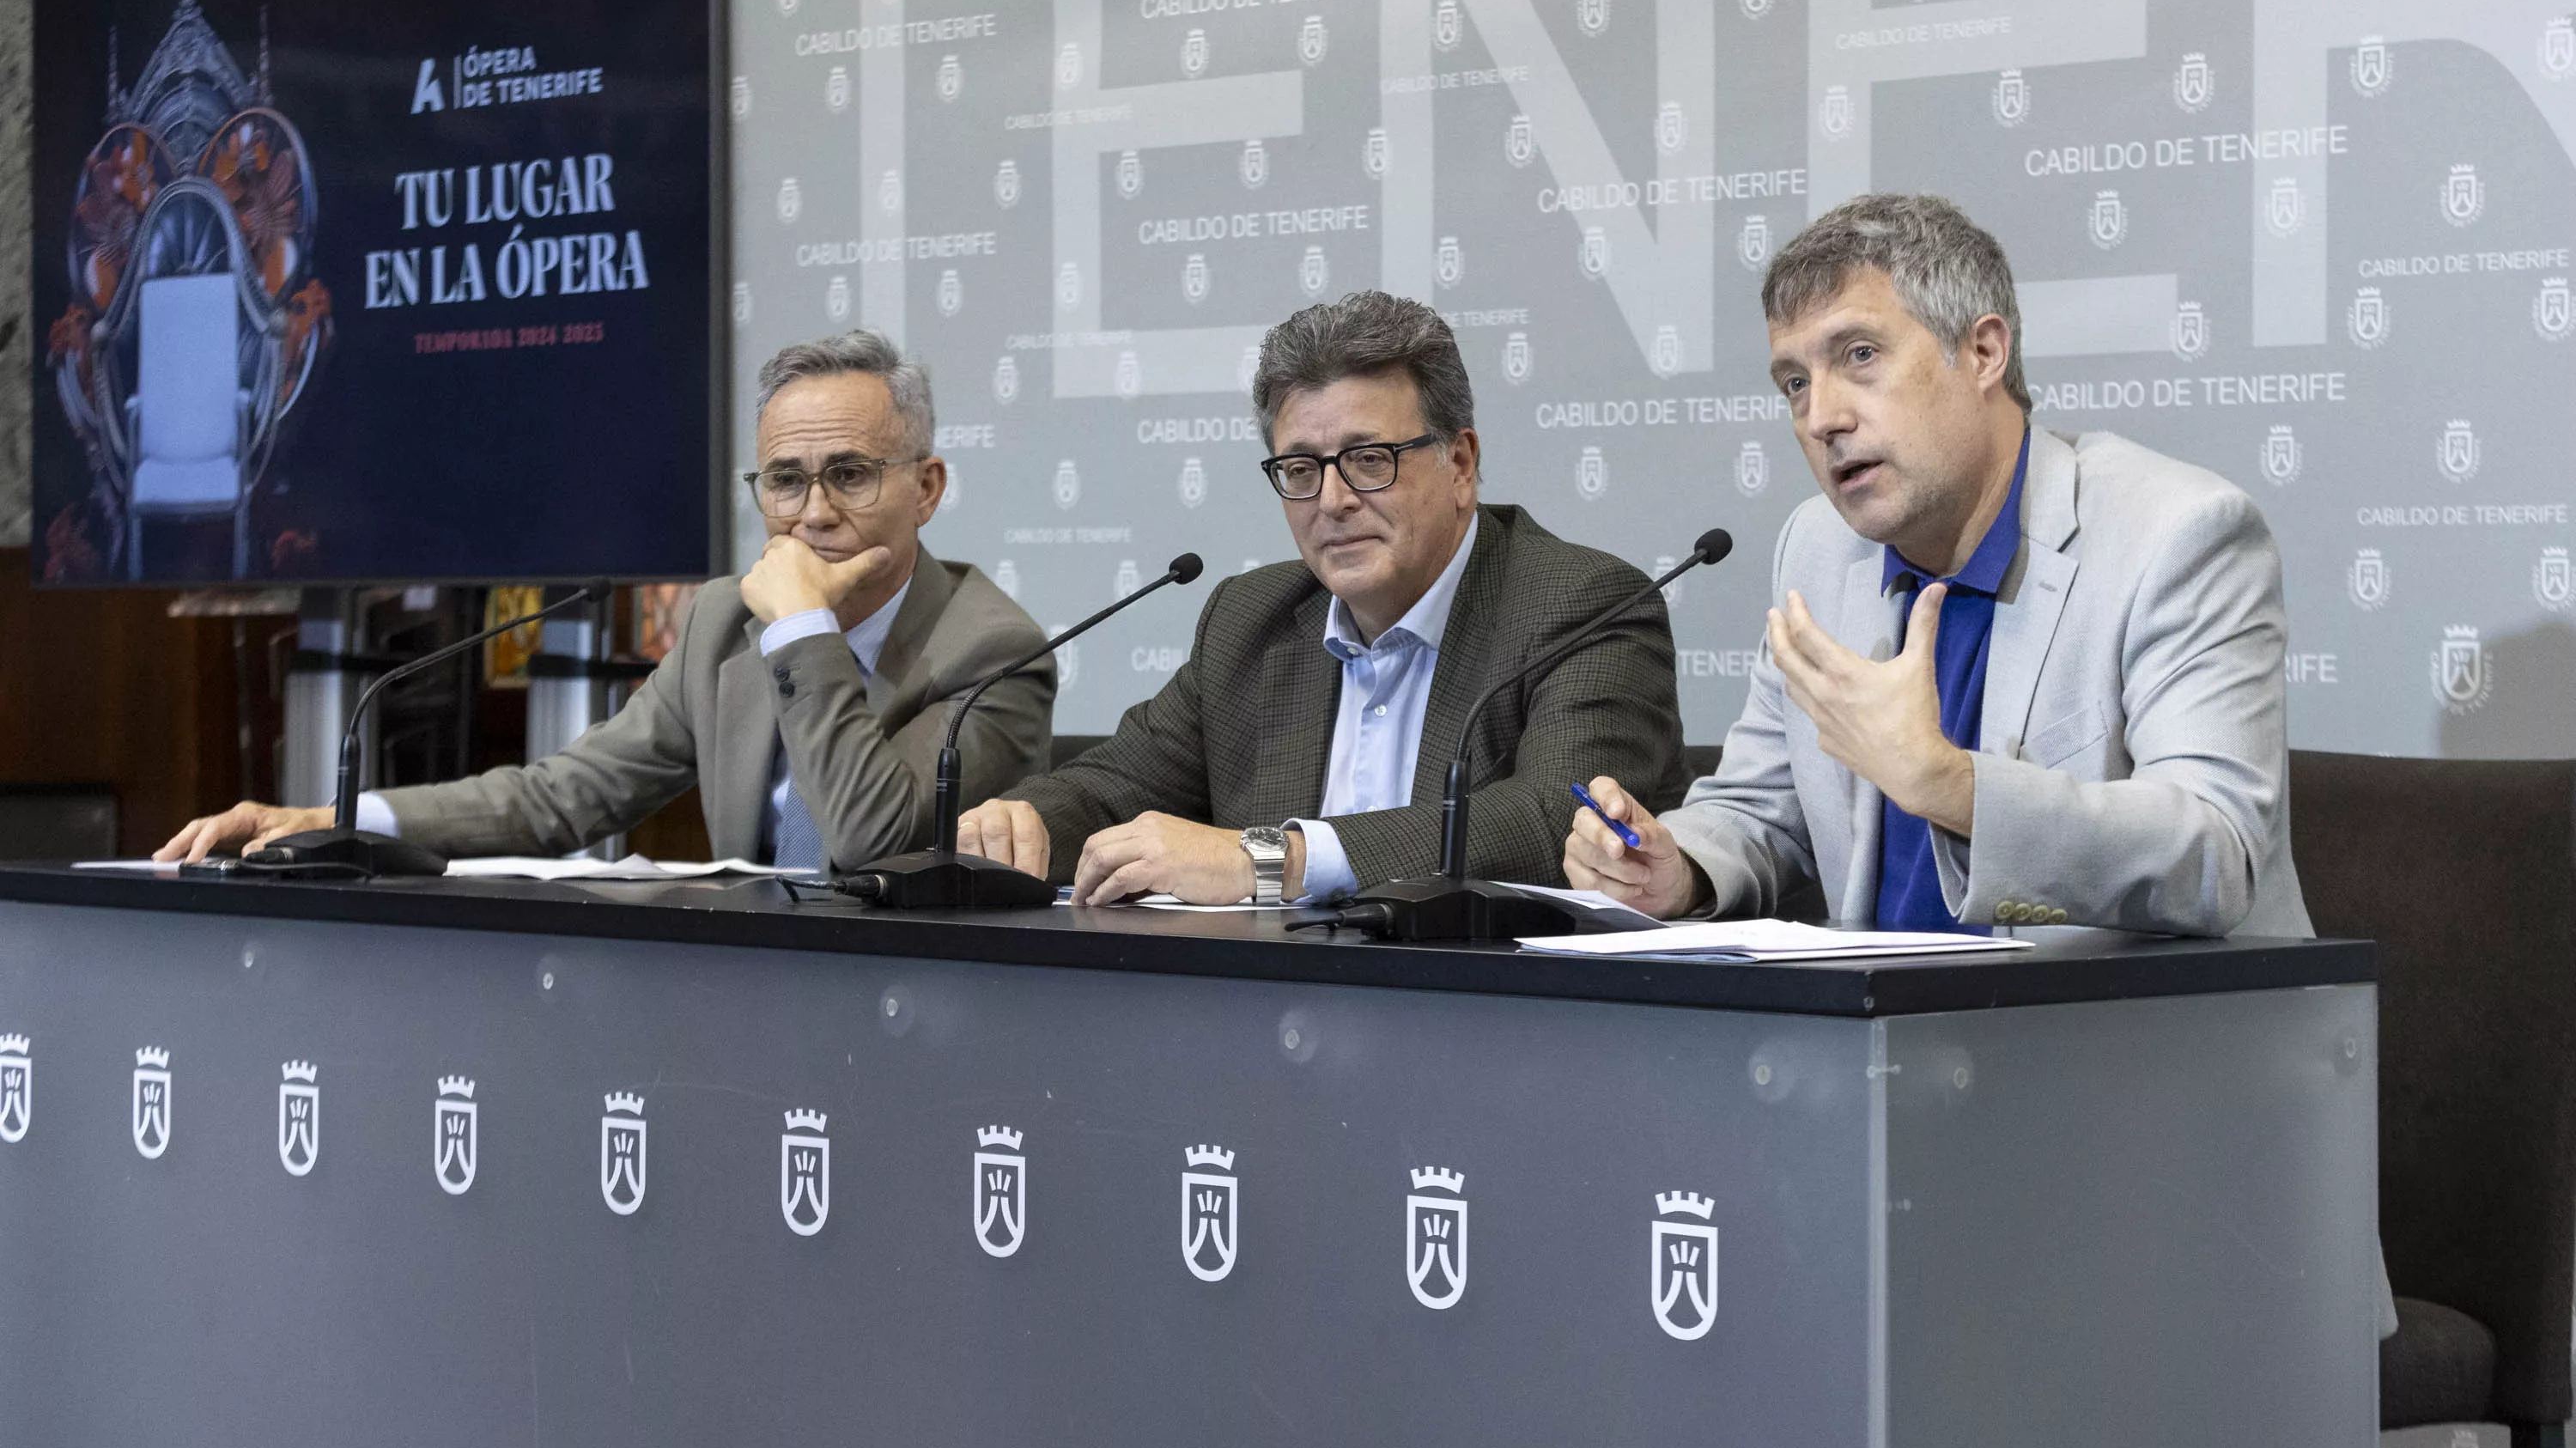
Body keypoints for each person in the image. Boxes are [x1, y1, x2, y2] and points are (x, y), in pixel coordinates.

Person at [1564, 193, 2312, 939]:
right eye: (1795, 382)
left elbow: (2217, 855)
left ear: (1984, 352)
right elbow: (1766, 809)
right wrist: (1680, 866)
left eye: (1860, 356)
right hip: (1897, 1040)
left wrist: (1951, 787)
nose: (1822, 416)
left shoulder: (2175, 535)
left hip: (2141, 1042)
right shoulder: (1820, 548)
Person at [158, 330, 1053, 871]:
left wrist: (805, 627)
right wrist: (333, 820)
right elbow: (563, 796)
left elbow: (873, 840)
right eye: (786, 481)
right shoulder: (719, 624)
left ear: (927, 488)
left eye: (850, 475)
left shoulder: (992, 647)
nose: (814, 513)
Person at [956, 289, 1687, 905]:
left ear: (1460, 464)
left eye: (1369, 460)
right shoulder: (1252, 619)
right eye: (1301, 468)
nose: (1331, 500)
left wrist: (1269, 861)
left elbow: (1557, 821)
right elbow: (1118, 786)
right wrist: (1026, 824)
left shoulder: (1583, 605)